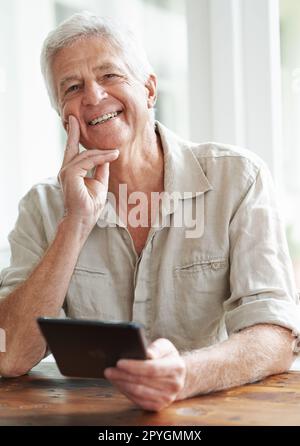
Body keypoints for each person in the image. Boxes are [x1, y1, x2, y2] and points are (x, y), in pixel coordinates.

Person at [0, 11, 300, 412]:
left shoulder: (238, 179)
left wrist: (186, 374)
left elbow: (276, 334)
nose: (93, 96)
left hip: (208, 413)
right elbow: (10, 353)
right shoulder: (41, 207)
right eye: (72, 87)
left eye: (109, 75)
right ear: (62, 116)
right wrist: (75, 223)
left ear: (150, 90)